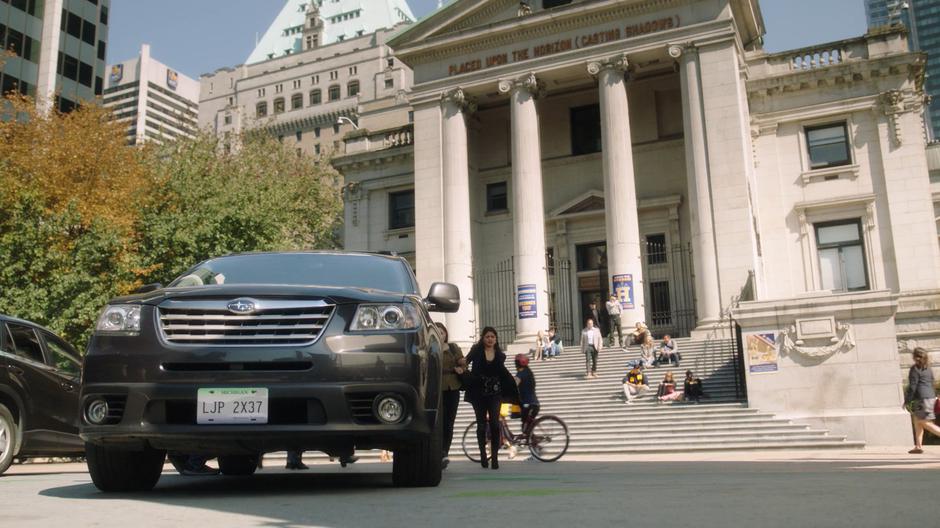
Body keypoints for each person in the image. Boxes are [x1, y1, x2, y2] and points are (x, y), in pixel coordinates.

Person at [465, 327, 519, 469]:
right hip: (478, 392)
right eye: (487, 336)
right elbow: (466, 361)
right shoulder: (476, 351)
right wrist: (460, 367)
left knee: (495, 424)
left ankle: (494, 457)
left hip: (495, 393)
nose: (490, 339)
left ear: (495, 339)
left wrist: (513, 381)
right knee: (481, 425)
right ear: (483, 338)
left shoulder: (500, 355)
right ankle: (483, 454)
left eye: (492, 337)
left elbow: (502, 372)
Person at [436, 322, 465, 469]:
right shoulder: (430, 349)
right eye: (437, 332)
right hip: (436, 388)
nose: (440, 335)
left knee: (449, 422)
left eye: (442, 332)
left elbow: (463, 362)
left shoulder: (453, 348)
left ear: (446, 334)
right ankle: (437, 452)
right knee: (438, 422)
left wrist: (461, 368)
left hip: (453, 387)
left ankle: (444, 452)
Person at [905, 347, 940, 455]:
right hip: (930, 397)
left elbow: (913, 386)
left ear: (915, 357)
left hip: (921, 399)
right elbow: (932, 382)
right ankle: (918, 446)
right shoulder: (928, 369)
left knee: (923, 421)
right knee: (917, 421)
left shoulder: (915, 369)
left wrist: (907, 400)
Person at [513, 353, 540, 434]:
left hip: (528, 403)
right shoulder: (528, 371)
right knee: (527, 425)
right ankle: (531, 440)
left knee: (525, 426)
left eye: (516, 363)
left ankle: (530, 440)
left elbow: (514, 384)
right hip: (534, 403)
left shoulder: (521, 373)